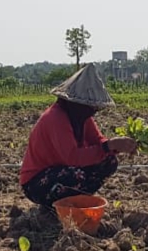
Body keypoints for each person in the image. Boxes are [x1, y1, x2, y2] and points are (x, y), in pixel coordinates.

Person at [19, 65, 138, 211]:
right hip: (36, 182)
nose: (93, 111)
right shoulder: (56, 118)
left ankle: (74, 204)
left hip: (60, 170)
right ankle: (55, 207)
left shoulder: (81, 117)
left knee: (108, 162)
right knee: (74, 176)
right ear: (76, 103)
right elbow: (72, 157)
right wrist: (108, 146)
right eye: (91, 106)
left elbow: (98, 140)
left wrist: (116, 146)